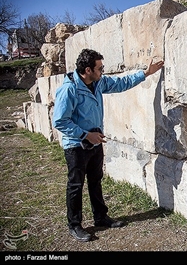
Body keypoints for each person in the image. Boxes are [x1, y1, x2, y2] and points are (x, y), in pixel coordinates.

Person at [52, 48, 164, 242]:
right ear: (88, 70)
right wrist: (86, 135)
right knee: (76, 185)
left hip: (95, 142)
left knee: (95, 181)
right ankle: (75, 225)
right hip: (76, 146)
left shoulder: (97, 83)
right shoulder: (69, 89)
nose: (102, 71)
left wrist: (146, 73)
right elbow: (60, 121)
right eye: (100, 68)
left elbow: (120, 83)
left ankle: (100, 217)